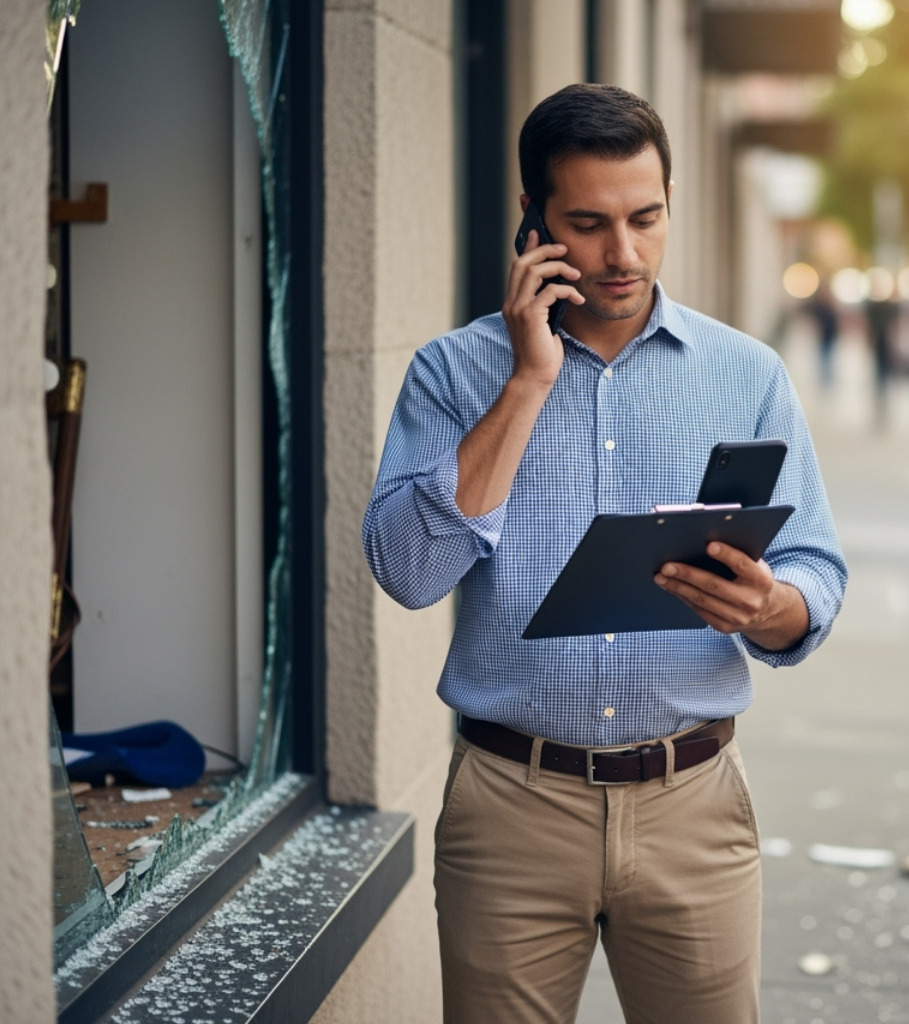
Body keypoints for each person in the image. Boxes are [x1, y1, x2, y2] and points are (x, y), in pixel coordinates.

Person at [361, 84, 846, 1024]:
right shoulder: (455, 373)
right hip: (512, 808)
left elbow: (818, 570)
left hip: (694, 807)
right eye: (586, 223)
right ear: (532, 222)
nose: (623, 255)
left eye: (646, 218)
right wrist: (527, 382)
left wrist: (769, 606)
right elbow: (409, 573)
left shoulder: (747, 373)